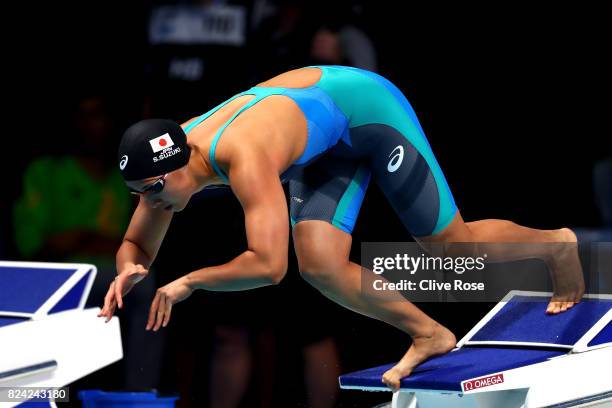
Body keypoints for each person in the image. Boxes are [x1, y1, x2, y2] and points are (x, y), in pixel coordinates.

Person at [99, 65, 585, 391]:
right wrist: (129, 270)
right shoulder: (167, 169)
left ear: (178, 169)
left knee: (450, 247)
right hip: (321, 142)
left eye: (152, 191)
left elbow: (268, 267)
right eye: (137, 193)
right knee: (320, 265)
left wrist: (190, 281)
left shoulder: (243, 157)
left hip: (366, 111)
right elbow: (136, 243)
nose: (149, 204)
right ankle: (430, 334)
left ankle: (556, 246)